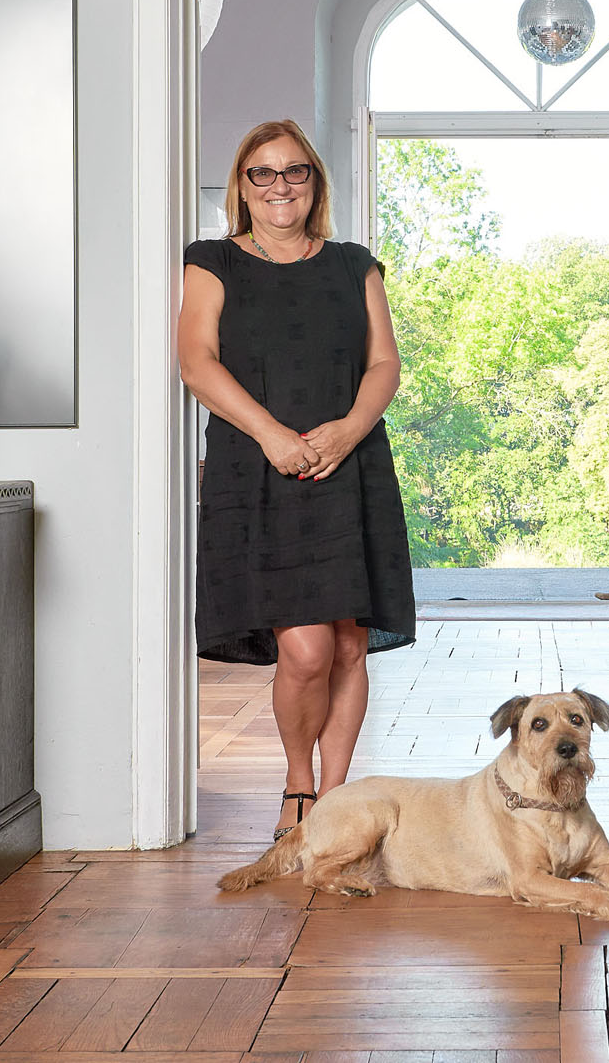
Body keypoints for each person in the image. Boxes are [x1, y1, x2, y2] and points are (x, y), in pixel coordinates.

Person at [177, 119, 416, 842]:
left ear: (315, 183)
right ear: (242, 188)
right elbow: (197, 363)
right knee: (305, 649)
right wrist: (273, 435)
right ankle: (298, 785)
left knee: (347, 644)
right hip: (256, 473)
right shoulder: (211, 260)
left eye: (295, 172)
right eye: (263, 173)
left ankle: (337, 800)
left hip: (351, 466)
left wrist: (347, 430)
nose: (280, 186)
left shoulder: (353, 264)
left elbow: (384, 365)